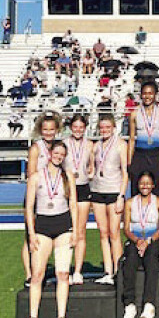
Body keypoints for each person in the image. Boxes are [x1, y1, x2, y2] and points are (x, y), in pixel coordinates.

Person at [20, 141, 77, 318]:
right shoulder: (35, 177)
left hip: (63, 227)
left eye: (62, 154)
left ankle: (61, 317)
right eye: (56, 153)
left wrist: (76, 231)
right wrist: (31, 233)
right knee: (37, 275)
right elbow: (29, 207)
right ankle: (33, 317)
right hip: (42, 227)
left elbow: (73, 205)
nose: (58, 156)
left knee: (63, 274)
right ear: (50, 153)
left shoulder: (68, 176)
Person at [22, 111, 63, 288]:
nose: (48, 132)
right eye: (45, 129)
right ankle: (29, 275)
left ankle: (40, 270)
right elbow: (31, 174)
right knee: (30, 237)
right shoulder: (36, 148)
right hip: (36, 195)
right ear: (40, 130)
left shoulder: (58, 147)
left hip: (51, 198)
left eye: (51, 129)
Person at [121, 171, 159, 318]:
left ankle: (149, 305)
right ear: (137, 185)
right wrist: (137, 240)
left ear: (153, 185)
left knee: (152, 260)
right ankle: (130, 305)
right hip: (135, 239)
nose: (145, 185)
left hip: (153, 239)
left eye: (148, 183)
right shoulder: (130, 203)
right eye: (142, 183)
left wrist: (147, 241)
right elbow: (126, 229)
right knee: (130, 261)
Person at [90, 115, 128, 285]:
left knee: (114, 233)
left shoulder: (121, 144)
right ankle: (107, 270)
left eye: (107, 127)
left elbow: (125, 173)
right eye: (102, 127)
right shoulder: (96, 146)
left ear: (113, 127)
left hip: (114, 191)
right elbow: (92, 168)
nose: (104, 130)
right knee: (103, 233)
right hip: (97, 191)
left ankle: (119, 270)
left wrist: (121, 196)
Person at [64, 115, 94, 285]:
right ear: (70, 127)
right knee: (66, 230)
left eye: (81, 127)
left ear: (85, 128)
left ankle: (77, 271)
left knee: (80, 230)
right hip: (68, 189)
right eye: (75, 126)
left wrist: (90, 173)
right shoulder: (63, 144)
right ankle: (65, 269)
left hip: (83, 188)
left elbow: (92, 166)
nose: (78, 130)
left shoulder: (89, 144)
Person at [128, 81, 159, 198]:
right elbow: (131, 139)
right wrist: (129, 161)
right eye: (145, 93)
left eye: (150, 93)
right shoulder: (134, 114)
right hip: (139, 154)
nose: (147, 96)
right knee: (136, 189)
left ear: (155, 94)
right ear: (141, 95)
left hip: (156, 154)